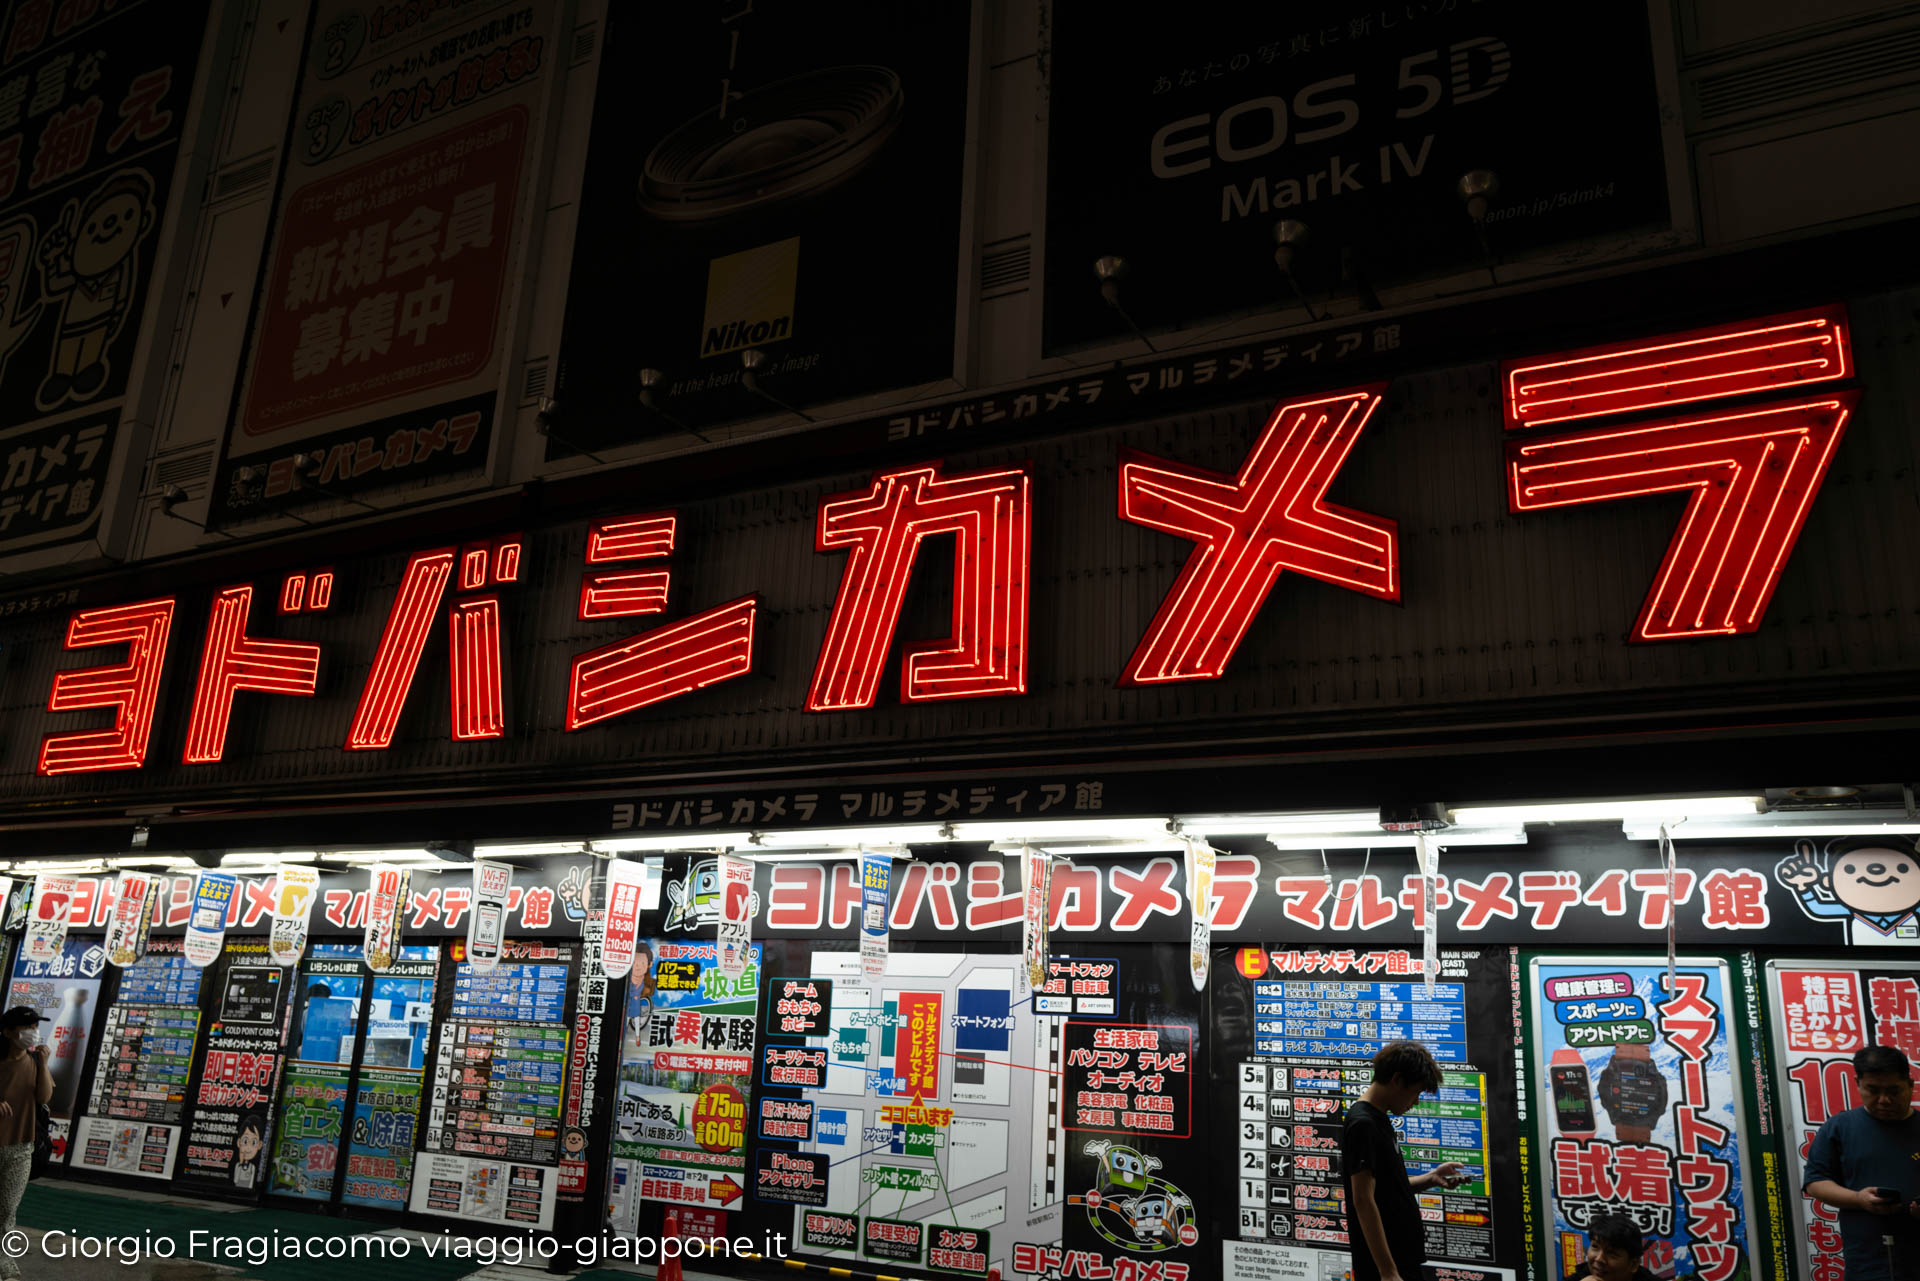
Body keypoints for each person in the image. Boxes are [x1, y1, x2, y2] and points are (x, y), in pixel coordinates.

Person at [1344, 1040, 1467, 1281]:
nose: (1416, 1101)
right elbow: (1363, 1200)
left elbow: (1387, 1189)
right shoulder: (1363, 1125)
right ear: (1397, 1080)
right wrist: (1388, 1271)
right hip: (1387, 1268)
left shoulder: (1378, 1119)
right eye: (1416, 1092)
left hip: (1400, 1260)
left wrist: (1432, 1178)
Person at [1803, 1043, 1920, 1280]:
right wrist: (1858, 1199)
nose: (1884, 1100)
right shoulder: (1839, 1127)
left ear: (1910, 1085)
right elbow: (1815, 1183)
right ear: (1858, 1084)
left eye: (1894, 1091)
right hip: (1868, 1261)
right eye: (1872, 1090)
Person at [0, 1007, 53, 1281]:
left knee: (8, 1209)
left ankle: (4, 1264)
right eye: (26, 1027)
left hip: (21, 1146)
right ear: (8, 1032)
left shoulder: (35, 1061)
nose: (33, 1032)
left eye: (35, 1026)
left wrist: (43, 1064)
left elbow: (43, 1097)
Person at [1565, 1213, 1658, 1281]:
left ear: (1633, 1264)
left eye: (1612, 1253)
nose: (1599, 1259)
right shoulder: (1577, 1278)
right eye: (1595, 1247)